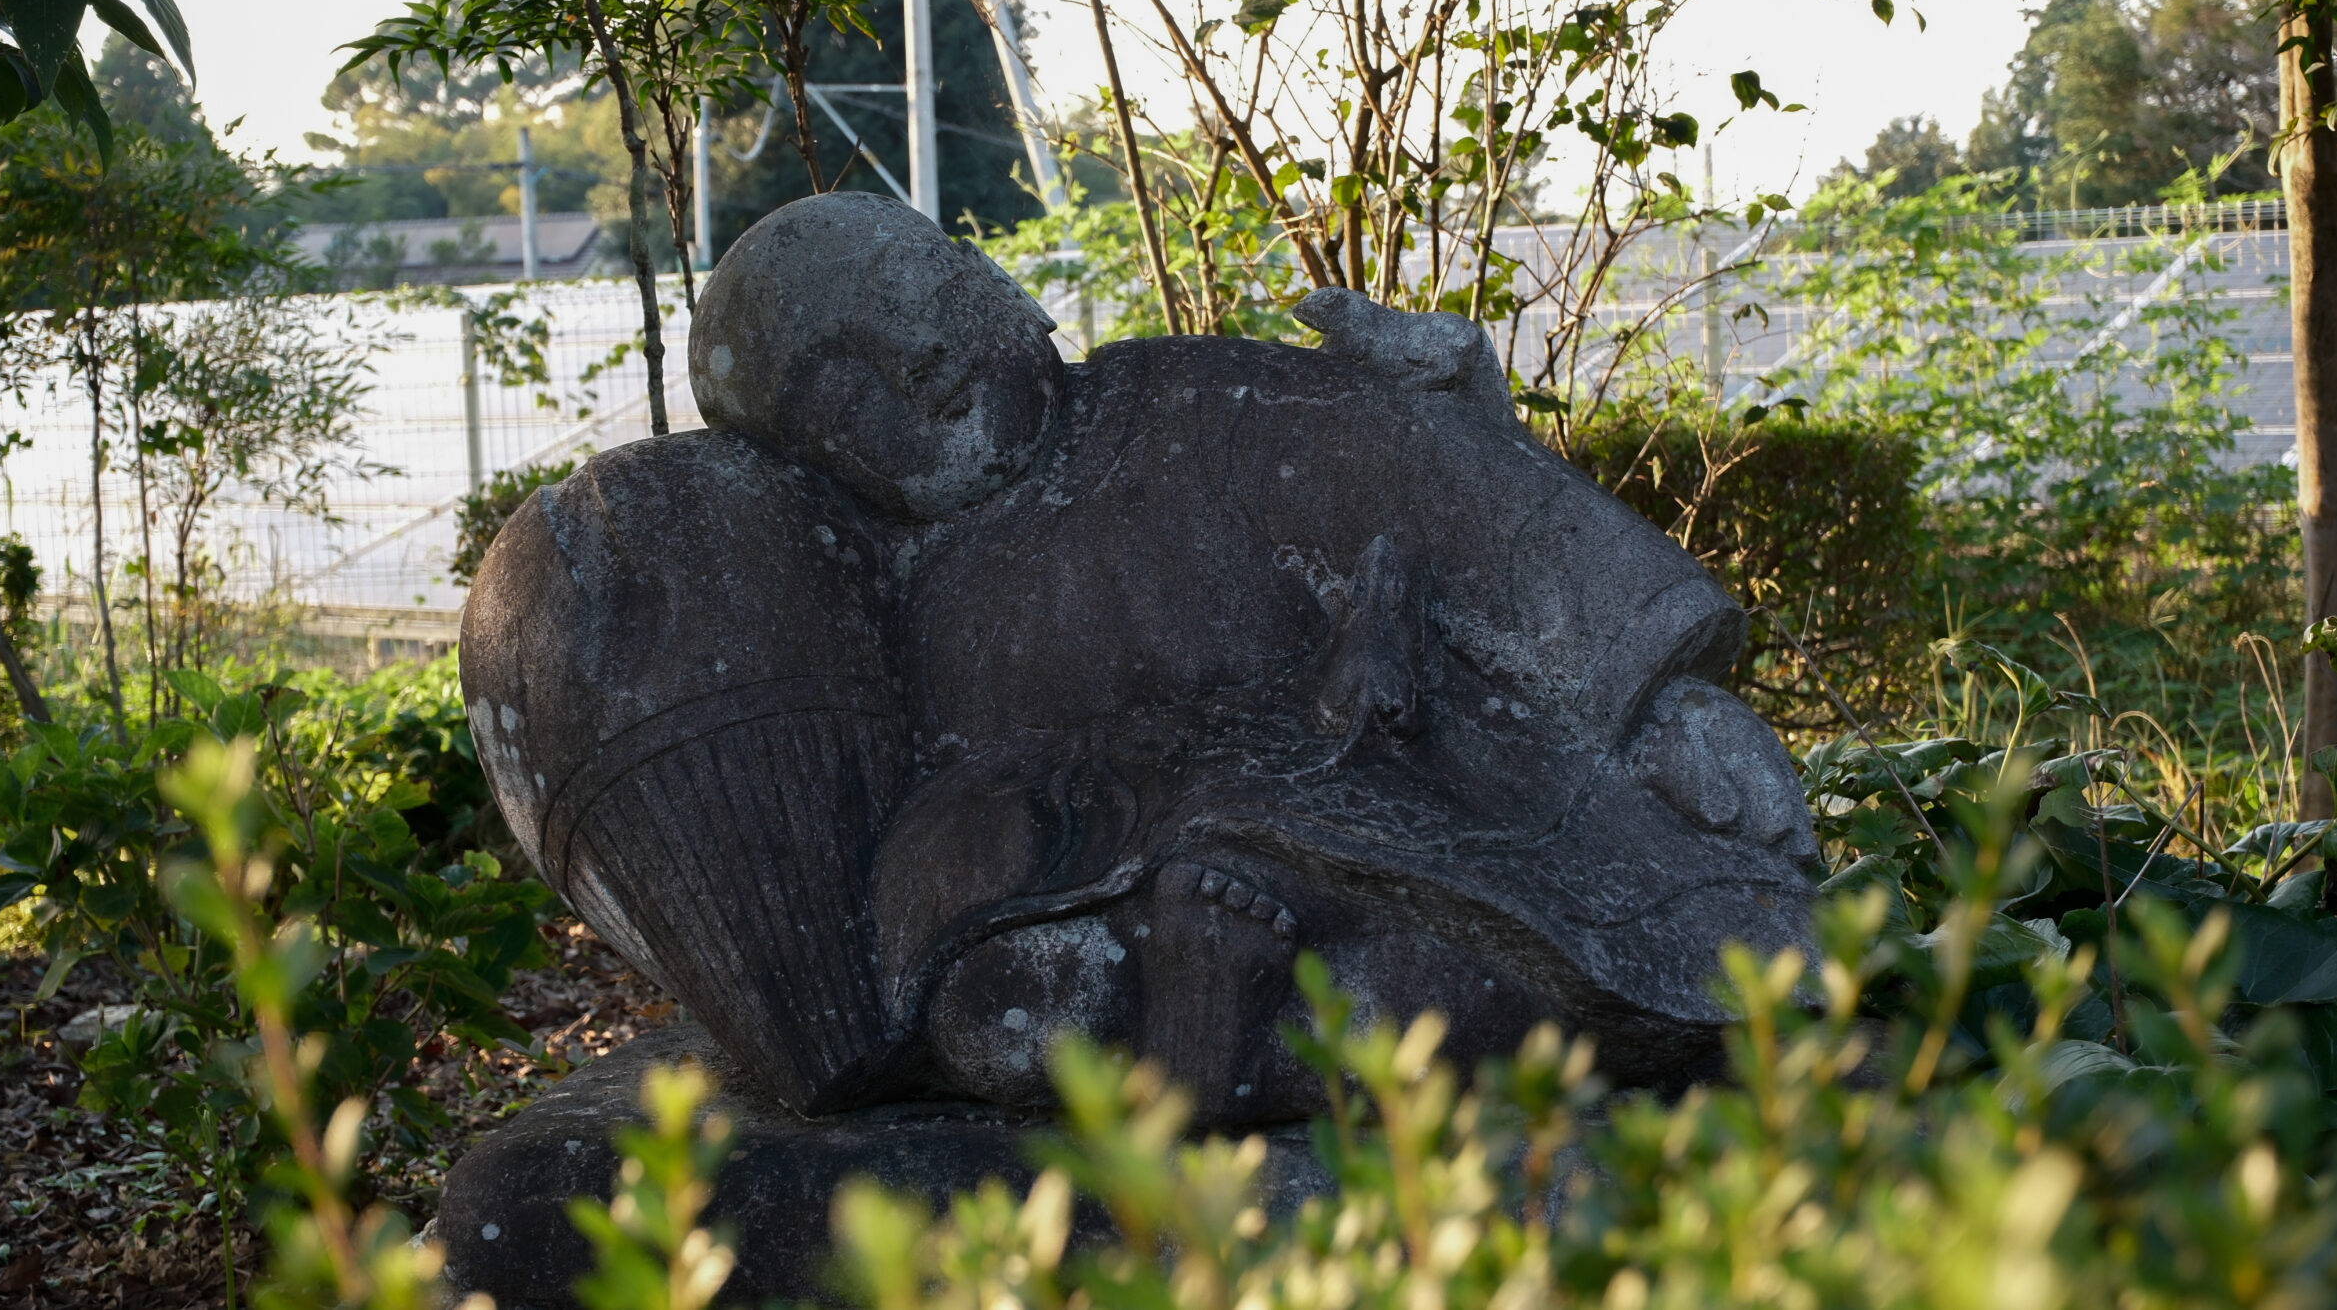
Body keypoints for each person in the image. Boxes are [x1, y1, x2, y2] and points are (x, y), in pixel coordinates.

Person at [464, 193, 1817, 1119]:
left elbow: (1426, 489)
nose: (928, 363)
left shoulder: (1198, 399)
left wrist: (1650, 696)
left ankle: (1334, 1025)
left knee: (1593, 890)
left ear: (995, 286)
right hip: (1161, 903)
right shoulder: (909, 619)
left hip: (1418, 804)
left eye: (929, 298)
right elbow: (946, 852)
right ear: (819, 461)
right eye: (855, 381)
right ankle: (1222, 1031)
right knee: (1007, 1010)